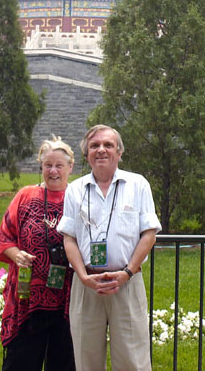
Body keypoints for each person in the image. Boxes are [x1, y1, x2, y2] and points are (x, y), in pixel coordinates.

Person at [58, 124, 161, 371]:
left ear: (119, 152)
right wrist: (82, 276)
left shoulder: (138, 185)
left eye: (108, 145)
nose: (101, 150)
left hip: (126, 283)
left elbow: (149, 234)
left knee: (133, 361)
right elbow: (69, 238)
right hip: (86, 286)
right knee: (86, 360)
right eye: (95, 146)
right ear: (86, 155)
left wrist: (126, 272)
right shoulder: (74, 190)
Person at [0, 136, 76, 371]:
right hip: (28, 298)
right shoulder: (26, 196)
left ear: (70, 167)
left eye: (59, 165)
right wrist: (16, 254)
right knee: (21, 362)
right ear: (41, 167)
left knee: (64, 363)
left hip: (67, 301)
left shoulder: (79, 197)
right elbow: (5, 236)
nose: (53, 171)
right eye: (47, 165)